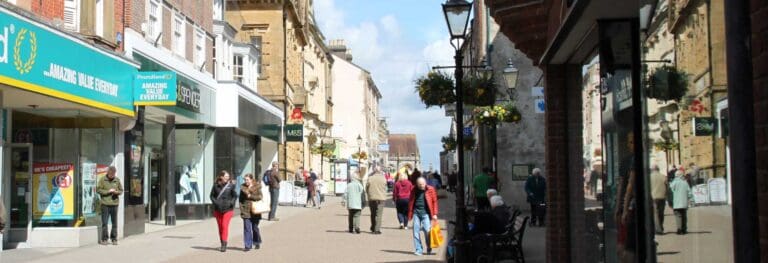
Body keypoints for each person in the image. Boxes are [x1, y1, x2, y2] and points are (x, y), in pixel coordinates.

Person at [408, 177, 439, 256]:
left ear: (425, 183)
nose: (422, 186)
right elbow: (411, 201)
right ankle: (419, 249)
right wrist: (410, 213)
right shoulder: (413, 189)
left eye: (423, 184)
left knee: (427, 231)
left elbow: (434, 201)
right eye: (420, 184)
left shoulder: (430, 189)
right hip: (416, 213)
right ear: (417, 184)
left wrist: (435, 214)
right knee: (415, 231)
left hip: (426, 214)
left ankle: (429, 247)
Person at [210, 170, 237, 252]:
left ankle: (224, 244)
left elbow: (235, 196)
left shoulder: (231, 186)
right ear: (221, 177)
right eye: (226, 177)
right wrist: (216, 203)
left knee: (224, 226)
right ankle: (222, 242)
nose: (227, 178)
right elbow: (211, 196)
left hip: (228, 209)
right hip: (218, 209)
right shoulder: (215, 186)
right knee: (220, 227)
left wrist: (231, 203)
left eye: (228, 177)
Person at [96, 166, 123, 245]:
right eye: (111, 174)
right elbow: (98, 190)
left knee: (114, 222)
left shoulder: (117, 180)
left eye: (113, 174)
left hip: (114, 204)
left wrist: (116, 192)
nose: (112, 176)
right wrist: (108, 191)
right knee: (105, 222)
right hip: (105, 204)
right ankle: (104, 239)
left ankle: (114, 239)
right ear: (108, 173)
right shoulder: (102, 180)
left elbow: (121, 190)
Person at [239, 174, 263, 251]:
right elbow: (240, 199)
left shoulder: (257, 186)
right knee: (247, 228)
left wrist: (251, 196)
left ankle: (256, 242)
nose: (246, 181)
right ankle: (247, 245)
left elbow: (260, 197)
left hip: (255, 210)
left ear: (251, 180)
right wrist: (241, 209)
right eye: (245, 180)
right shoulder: (243, 188)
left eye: (247, 180)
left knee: (255, 228)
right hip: (246, 210)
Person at [670, 170, 693, 235]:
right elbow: (689, 193)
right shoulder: (685, 183)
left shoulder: (673, 183)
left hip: (676, 203)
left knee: (678, 216)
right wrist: (691, 200)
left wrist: (670, 202)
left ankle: (679, 229)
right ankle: (684, 229)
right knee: (684, 216)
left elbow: (670, 192)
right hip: (684, 203)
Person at [367, 170, 388, 234]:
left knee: (373, 214)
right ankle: (377, 229)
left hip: (372, 198)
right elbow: (386, 188)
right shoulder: (383, 179)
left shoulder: (370, 178)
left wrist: (369, 194)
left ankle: (373, 228)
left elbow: (366, 188)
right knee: (379, 214)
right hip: (381, 198)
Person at [650, 165, 668, 234]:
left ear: (652, 170)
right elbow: (667, 186)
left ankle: (658, 229)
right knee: (661, 213)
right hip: (662, 197)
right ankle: (661, 226)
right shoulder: (663, 176)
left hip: (653, 197)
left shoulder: (649, 177)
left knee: (655, 214)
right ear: (658, 169)